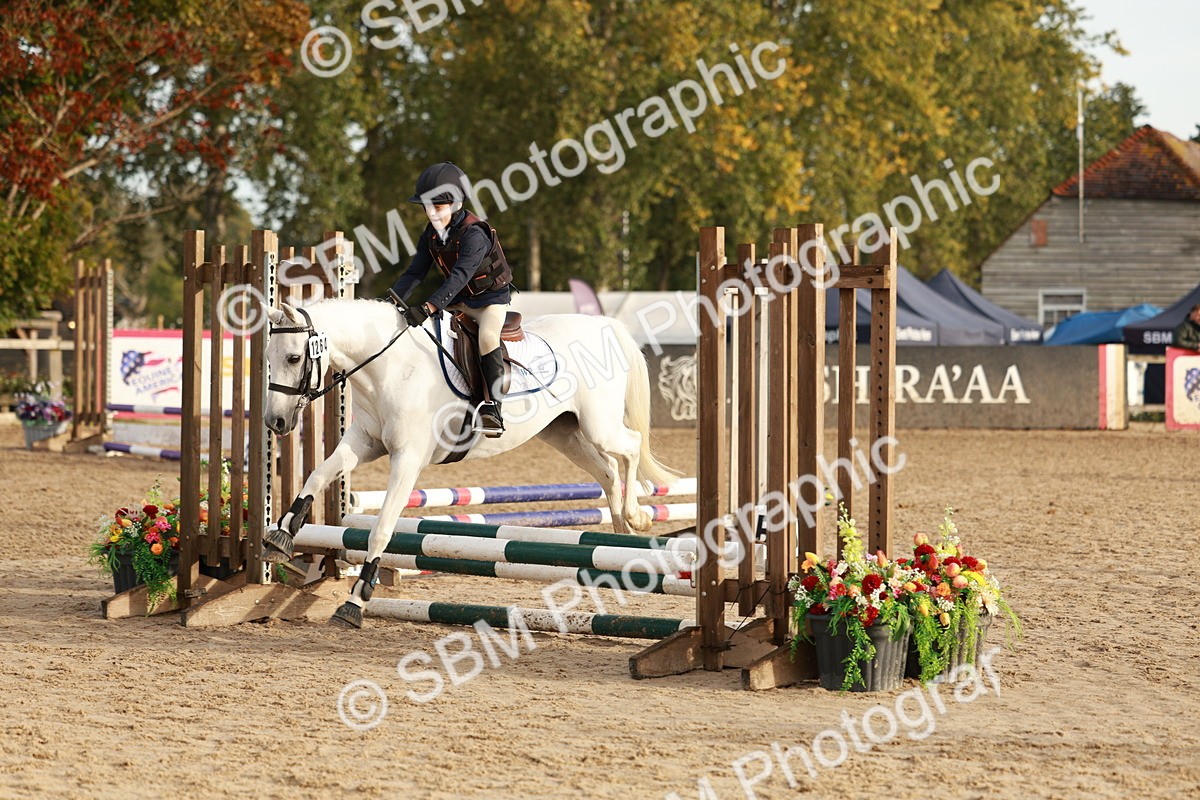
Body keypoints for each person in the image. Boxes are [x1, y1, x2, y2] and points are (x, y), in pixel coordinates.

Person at [389, 162, 513, 436]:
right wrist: (391, 303)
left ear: (456, 204)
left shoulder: (475, 234)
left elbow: (459, 276)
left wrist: (428, 305)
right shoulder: (430, 235)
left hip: (489, 301)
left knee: (488, 339)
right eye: (427, 207)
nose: (432, 213)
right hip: (458, 301)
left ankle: (493, 408)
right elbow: (415, 272)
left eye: (439, 207)